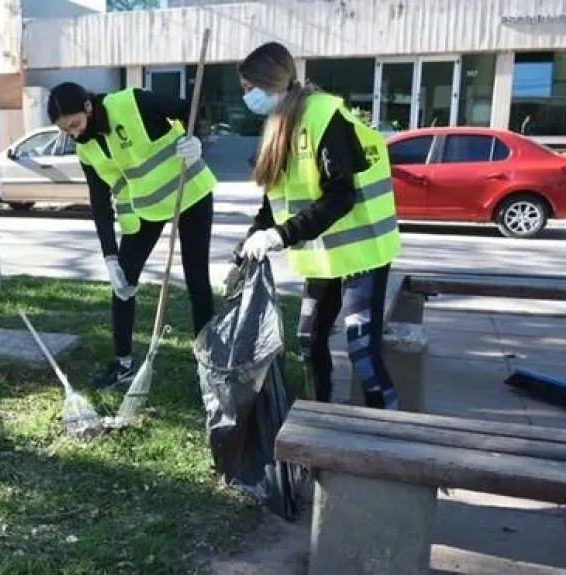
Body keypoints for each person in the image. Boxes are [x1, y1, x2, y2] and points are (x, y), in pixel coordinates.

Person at [236, 41, 402, 409]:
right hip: (323, 256)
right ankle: (318, 420)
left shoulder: (325, 116)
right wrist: (249, 242)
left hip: (364, 251)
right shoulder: (276, 126)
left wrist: (281, 235)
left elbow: (341, 195)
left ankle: (392, 433)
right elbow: (272, 200)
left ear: (269, 82)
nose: (247, 98)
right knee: (310, 339)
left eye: (250, 89)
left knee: (362, 349)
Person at [46, 82, 218, 389]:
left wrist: (197, 139)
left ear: (88, 106)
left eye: (75, 124)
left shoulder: (131, 102)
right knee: (123, 283)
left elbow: (190, 111)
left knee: (197, 278)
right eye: (66, 131)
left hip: (189, 189)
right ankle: (123, 363)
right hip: (148, 208)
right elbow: (99, 204)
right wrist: (110, 258)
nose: (73, 134)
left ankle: (209, 364)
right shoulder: (86, 149)